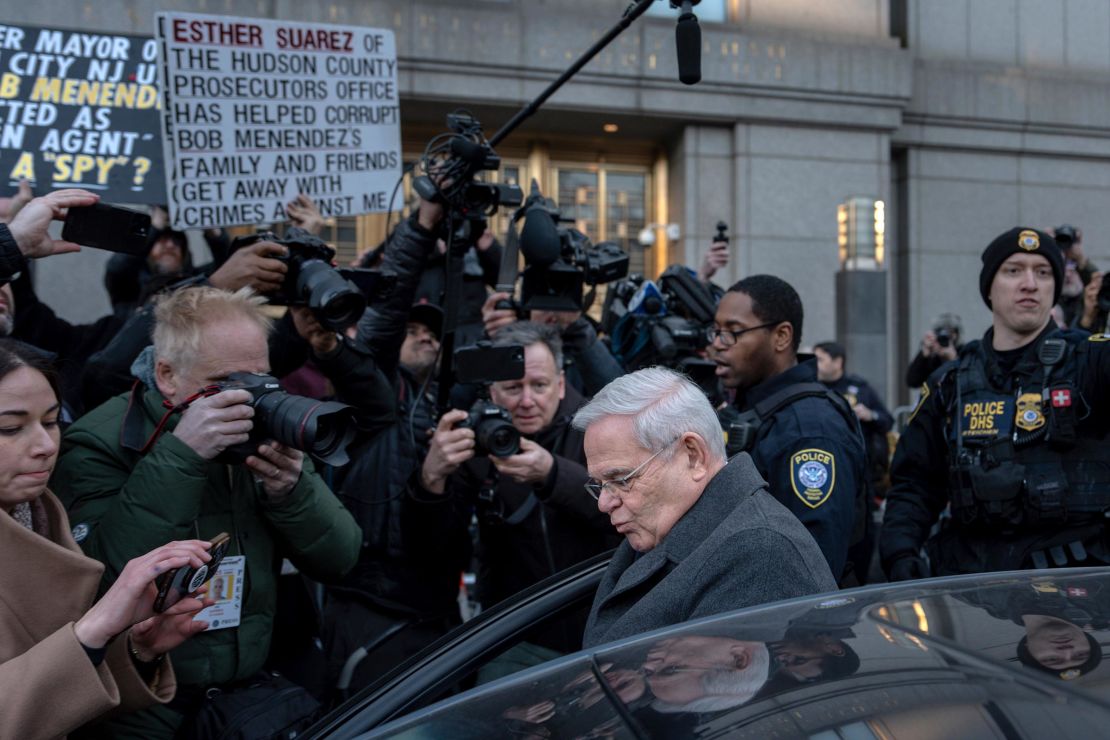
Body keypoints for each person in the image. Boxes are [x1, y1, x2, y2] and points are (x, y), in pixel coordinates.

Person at [52, 285, 361, 738]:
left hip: (249, 693)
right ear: (167, 375)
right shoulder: (100, 442)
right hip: (144, 702)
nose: (250, 399)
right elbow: (96, 584)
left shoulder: (263, 435)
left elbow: (342, 558)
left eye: (261, 379)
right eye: (228, 384)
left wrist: (291, 492)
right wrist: (182, 455)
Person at [0, 339, 216, 738]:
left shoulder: (42, 513)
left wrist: (137, 651)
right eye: (10, 428)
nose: (46, 447)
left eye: (50, 421)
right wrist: (92, 630)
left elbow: (53, 704)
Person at [881, 227, 1110, 581]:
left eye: (1043, 272)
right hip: (972, 592)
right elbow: (914, 485)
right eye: (1014, 270)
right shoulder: (950, 382)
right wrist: (901, 557)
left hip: (1076, 591)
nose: (1030, 283)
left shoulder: (1090, 360)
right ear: (989, 287)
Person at [573, 367, 837, 649]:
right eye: (600, 484)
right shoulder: (683, 526)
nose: (604, 502)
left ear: (693, 456)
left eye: (621, 479)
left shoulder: (759, 552)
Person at [405, 320, 618, 652]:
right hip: (517, 636)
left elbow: (629, 506)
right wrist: (431, 479)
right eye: (514, 387)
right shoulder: (472, 444)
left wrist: (552, 474)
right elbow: (437, 555)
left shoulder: (599, 428)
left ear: (561, 384)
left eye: (539, 385)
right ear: (492, 391)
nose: (527, 401)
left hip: (606, 623)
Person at [709, 275, 867, 581]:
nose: (717, 344)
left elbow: (811, 565)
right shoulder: (755, 408)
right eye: (716, 332)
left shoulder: (810, 429)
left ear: (781, 336)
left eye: (733, 332)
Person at [905, 313, 962, 389]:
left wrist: (953, 358)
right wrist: (924, 354)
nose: (943, 339)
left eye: (948, 335)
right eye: (940, 335)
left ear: (955, 336)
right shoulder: (933, 359)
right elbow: (912, 381)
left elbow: (968, 381)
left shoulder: (964, 353)